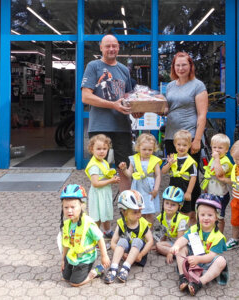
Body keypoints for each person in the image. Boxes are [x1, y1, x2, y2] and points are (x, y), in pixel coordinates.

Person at [81, 34, 138, 191]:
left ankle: (126, 207)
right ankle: (100, 210)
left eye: (114, 46)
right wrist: (113, 105)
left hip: (122, 127)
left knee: (125, 168)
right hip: (100, 127)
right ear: (101, 48)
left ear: (118, 48)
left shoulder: (124, 70)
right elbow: (85, 97)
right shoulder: (93, 66)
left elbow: (128, 98)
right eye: (107, 46)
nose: (111, 49)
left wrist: (136, 110)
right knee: (98, 169)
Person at [170, 194, 228, 296]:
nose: (206, 218)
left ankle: (199, 283)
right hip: (192, 261)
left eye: (210, 215)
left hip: (207, 265)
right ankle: (182, 277)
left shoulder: (218, 237)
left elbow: (211, 256)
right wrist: (176, 246)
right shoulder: (194, 228)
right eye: (202, 215)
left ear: (216, 217)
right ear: (197, 215)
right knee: (181, 247)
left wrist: (198, 259)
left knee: (221, 261)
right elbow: (183, 239)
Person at [60, 184, 110, 287]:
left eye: (73, 207)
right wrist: (63, 259)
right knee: (65, 278)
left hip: (85, 258)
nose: (69, 210)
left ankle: (96, 271)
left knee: (74, 283)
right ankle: (74, 268)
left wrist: (104, 256)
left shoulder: (88, 223)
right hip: (72, 256)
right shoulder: (67, 224)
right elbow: (65, 244)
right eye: (66, 207)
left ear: (82, 206)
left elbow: (100, 238)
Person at [163, 51, 208, 166]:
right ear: (173, 67)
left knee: (190, 175)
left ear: (190, 66)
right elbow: (169, 109)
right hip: (171, 136)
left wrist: (197, 140)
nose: (180, 68)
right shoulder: (170, 86)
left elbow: (202, 115)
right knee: (174, 174)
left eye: (184, 65)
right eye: (177, 65)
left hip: (189, 137)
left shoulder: (198, 85)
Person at [104, 190, 154, 284]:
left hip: (138, 254)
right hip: (126, 254)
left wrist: (141, 254)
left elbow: (150, 241)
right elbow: (113, 243)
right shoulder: (121, 223)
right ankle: (113, 268)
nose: (139, 214)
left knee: (137, 240)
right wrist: (122, 254)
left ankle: (125, 269)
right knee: (122, 240)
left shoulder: (143, 223)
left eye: (140, 211)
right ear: (124, 212)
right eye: (135, 212)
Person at [119, 133, 162, 224]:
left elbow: (158, 175)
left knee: (149, 212)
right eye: (144, 149)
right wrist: (124, 169)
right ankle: (139, 229)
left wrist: (156, 189)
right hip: (138, 187)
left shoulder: (155, 160)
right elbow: (129, 174)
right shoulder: (134, 159)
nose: (147, 152)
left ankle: (149, 232)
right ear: (138, 148)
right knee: (138, 210)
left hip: (149, 188)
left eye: (150, 150)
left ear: (154, 149)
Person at [85, 134, 120, 238]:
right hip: (98, 194)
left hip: (104, 193)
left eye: (104, 149)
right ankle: (94, 238)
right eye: (98, 149)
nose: (102, 151)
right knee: (97, 216)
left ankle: (107, 231)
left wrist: (111, 176)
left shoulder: (103, 162)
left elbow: (104, 174)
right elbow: (95, 183)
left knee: (106, 213)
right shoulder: (94, 166)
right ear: (92, 149)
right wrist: (111, 181)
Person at [161, 129, 200, 225]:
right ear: (174, 144)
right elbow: (163, 171)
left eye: (185, 145)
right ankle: (165, 232)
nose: (181, 147)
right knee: (168, 210)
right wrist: (169, 164)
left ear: (190, 145)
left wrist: (189, 192)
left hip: (184, 189)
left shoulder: (190, 161)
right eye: (179, 144)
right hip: (172, 189)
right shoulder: (171, 157)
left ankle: (183, 232)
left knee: (184, 212)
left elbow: (193, 177)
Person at [200, 133, 233, 233]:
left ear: (226, 150)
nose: (217, 150)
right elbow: (209, 175)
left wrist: (217, 159)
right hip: (211, 193)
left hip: (221, 195)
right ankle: (211, 233)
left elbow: (218, 173)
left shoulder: (225, 162)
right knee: (210, 214)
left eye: (220, 148)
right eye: (214, 147)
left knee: (219, 217)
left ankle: (219, 236)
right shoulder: (214, 159)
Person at [154, 186, 189, 263]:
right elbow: (164, 233)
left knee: (160, 247)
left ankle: (180, 255)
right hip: (173, 244)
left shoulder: (181, 220)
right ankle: (178, 255)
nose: (169, 206)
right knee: (158, 245)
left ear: (179, 206)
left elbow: (180, 240)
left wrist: (170, 252)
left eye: (173, 205)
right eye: (167, 203)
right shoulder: (163, 216)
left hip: (183, 245)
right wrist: (160, 244)